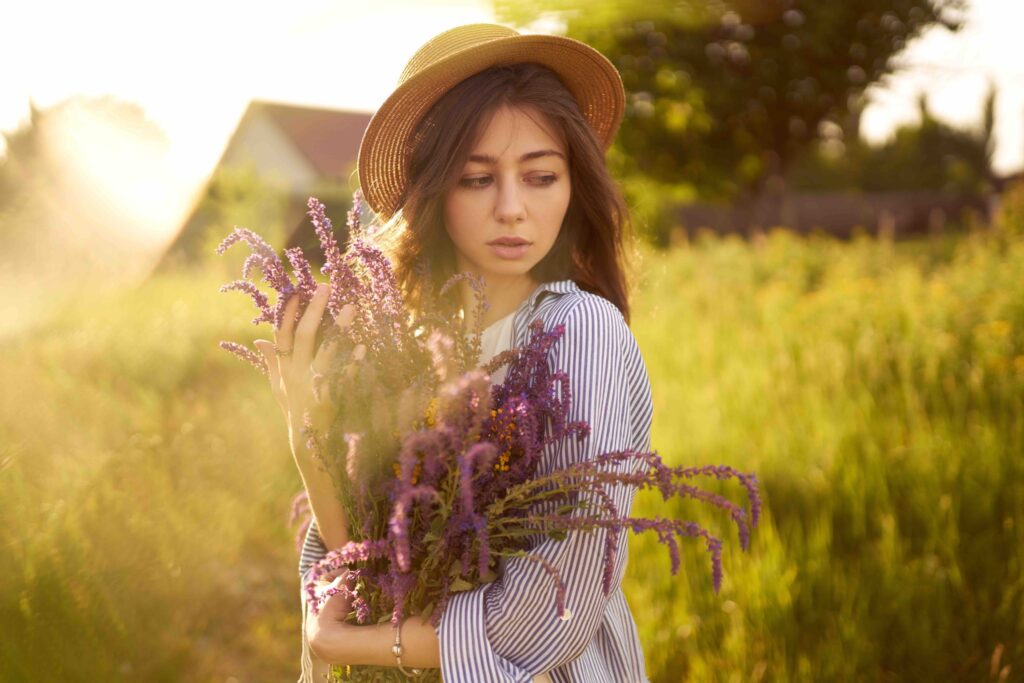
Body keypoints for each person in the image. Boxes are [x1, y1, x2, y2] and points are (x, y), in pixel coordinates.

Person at [259, 23, 654, 683]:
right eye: (476, 179)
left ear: (572, 183)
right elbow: (359, 558)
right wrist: (308, 437)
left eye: (540, 176)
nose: (512, 209)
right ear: (433, 191)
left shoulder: (581, 329)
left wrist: (359, 644)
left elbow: (555, 606)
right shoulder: (397, 340)